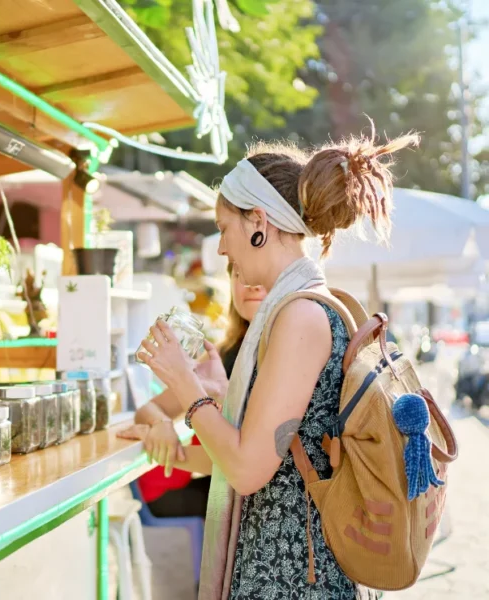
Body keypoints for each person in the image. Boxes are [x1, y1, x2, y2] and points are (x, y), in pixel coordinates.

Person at [137, 131, 417, 599]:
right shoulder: (305, 307)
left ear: (258, 223)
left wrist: (186, 386)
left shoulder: (300, 316)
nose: (222, 248)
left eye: (224, 228)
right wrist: (218, 399)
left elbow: (248, 470)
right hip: (292, 565)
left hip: (292, 576)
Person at [118, 265, 265, 519]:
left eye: (260, 272)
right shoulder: (221, 356)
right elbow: (148, 410)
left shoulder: (284, 357)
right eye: (238, 274)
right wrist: (161, 424)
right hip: (225, 489)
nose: (251, 283)